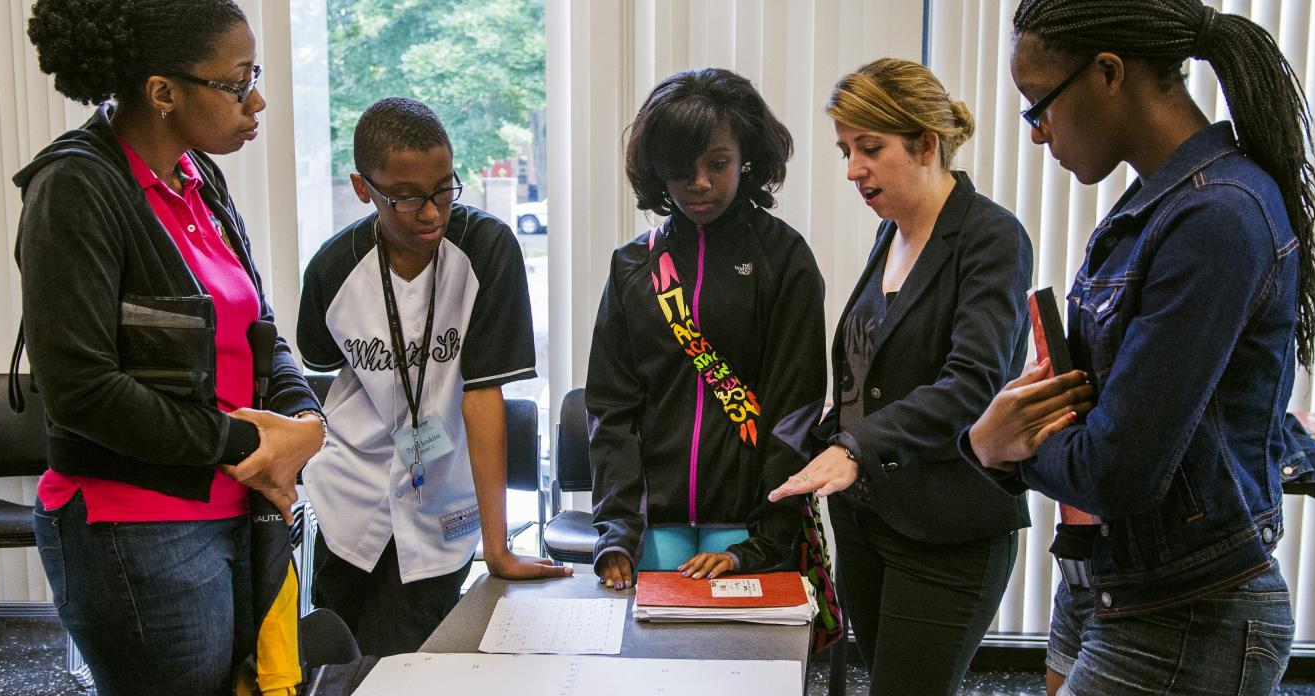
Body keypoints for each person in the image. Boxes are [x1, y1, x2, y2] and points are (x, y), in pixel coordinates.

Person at [966, 1, 1315, 693]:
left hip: (1185, 615)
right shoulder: (1161, 207)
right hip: (1109, 578)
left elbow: (1120, 469)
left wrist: (1003, 446)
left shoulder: (1215, 216)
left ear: (1108, 73)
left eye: (1038, 104)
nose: (1038, 133)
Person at [18, 1, 324, 693]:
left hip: (228, 509)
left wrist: (305, 421)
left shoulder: (197, 177)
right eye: (237, 81)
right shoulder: (75, 188)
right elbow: (81, 390)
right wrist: (247, 445)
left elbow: (258, 327)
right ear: (163, 92)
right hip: (133, 527)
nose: (259, 99)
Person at [766, 58, 1035, 696]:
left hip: (946, 528)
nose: (854, 169)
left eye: (870, 148)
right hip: (869, 519)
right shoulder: (891, 233)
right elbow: (874, 376)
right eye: (845, 151)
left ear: (925, 144)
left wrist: (855, 447)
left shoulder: (989, 237)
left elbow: (971, 381)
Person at [296, 97, 570, 658]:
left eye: (445, 189)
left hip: (441, 495)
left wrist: (498, 548)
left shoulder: (487, 250)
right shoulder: (332, 269)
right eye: (408, 197)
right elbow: (321, 372)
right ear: (362, 187)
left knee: (403, 660)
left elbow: (482, 395)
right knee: (334, 660)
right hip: (350, 495)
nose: (431, 213)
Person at [588, 68, 826, 590]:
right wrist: (617, 529)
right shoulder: (633, 265)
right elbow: (611, 408)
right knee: (649, 665)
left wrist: (764, 540)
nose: (699, 183)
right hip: (652, 523)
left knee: (741, 666)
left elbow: (796, 406)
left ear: (746, 157)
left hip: (747, 522)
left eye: (717, 164)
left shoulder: (785, 259)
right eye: (680, 168)